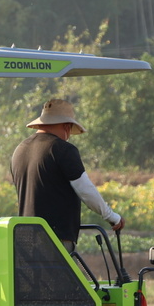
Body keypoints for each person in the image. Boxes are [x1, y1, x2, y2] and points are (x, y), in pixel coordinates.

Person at [9, 97, 122, 248]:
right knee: (62, 272)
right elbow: (85, 190)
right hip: (54, 239)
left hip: (26, 239)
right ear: (67, 126)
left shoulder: (19, 150)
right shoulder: (62, 149)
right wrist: (111, 216)